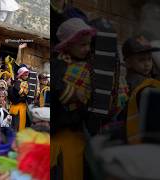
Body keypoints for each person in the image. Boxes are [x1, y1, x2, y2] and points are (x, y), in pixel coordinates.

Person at [52, 17, 96, 180]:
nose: (87, 49)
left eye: (89, 44)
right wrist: (76, 94)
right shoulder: (58, 65)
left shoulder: (86, 66)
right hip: (61, 135)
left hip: (78, 135)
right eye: (83, 44)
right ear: (68, 45)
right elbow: (58, 88)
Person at [123, 36, 160, 144]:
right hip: (140, 139)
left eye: (149, 59)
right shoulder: (142, 85)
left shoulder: (145, 80)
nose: (147, 64)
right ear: (128, 63)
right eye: (141, 60)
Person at [8, 66, 30, 131]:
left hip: (23, 108)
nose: (27, 75)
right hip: (16, 109)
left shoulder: (26, 84)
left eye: (27, 74)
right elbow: (18, 93)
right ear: (21, 75)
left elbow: (26, 94)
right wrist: (23, 95)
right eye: (25, 74)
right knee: (15, 127)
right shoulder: (17, 83)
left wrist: (24, 96)